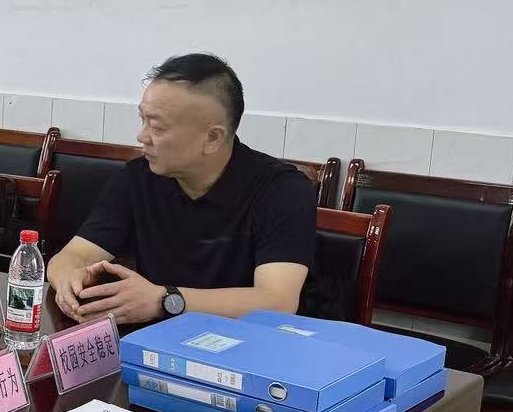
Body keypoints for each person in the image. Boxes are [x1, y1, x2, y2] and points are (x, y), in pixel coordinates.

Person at [46, 53, 315, 327]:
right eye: (142, 119)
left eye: (156, 126)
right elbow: (74, 255)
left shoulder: (281, 190)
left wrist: (165, 300)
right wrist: (69, 279)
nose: (142, 136)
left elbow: (277, 301)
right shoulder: (137, 177)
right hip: (155, 339)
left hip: (244, 343)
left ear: (212, 138)